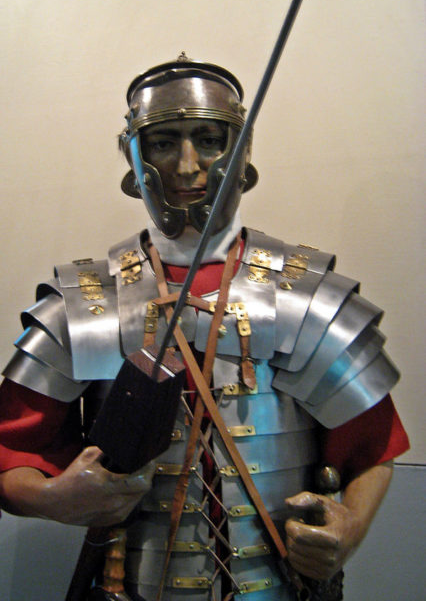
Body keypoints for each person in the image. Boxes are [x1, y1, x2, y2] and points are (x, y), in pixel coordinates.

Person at [0, 55, 409, 601]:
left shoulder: (309, 295)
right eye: (164, 142)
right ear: (133, 158)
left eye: (210, 139)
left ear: (243, 154)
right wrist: (52, 498)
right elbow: (11, 456)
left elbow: (372, 448)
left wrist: (348, 530)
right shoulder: (82, 303)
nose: (189, 167)